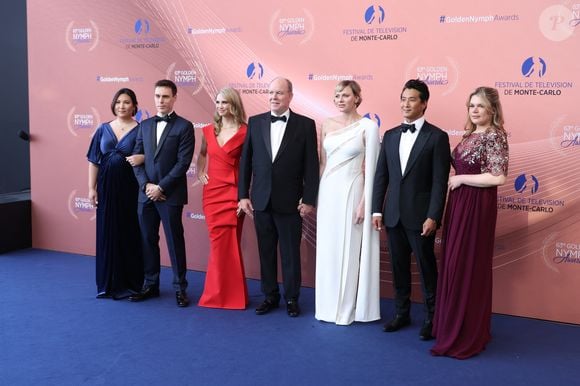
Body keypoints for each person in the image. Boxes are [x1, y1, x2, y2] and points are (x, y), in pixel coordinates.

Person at [431, 87, 509, 359]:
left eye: (481, 106)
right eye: (471, 106)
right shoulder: (470, 135)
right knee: (455, 261)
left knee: (467, 262)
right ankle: (453, 325)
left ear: (493, 110)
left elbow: (498, 177)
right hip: (461, 203)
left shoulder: (495, 136)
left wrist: (462, 179)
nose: (475, 110)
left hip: (477, 206)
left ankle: (467, 331)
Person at [371, 79, 450, 340]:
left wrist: (433, 216)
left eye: (412, 99)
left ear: (424, 103)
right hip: (392, 215)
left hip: (421, 217)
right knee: (398, 267)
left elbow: (440, 182)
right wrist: (376, 210)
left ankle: (432, 318)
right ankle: (401, 314)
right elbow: (381, 176)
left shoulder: (437, 137)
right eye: (403, 98)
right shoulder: (391, 135)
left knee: (427, 268)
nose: (406, 103)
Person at [238, 77, 319, 317]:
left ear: (290, 96)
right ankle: (269, 296)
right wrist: (243, 195)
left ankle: (292, 299)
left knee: (290, 253)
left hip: (291, 202)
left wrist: (309, 199)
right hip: (261, 200)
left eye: (279, 93)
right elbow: (245, 163)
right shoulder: (255, 122)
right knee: (266, 252)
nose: (273, 97)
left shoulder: (305, 125)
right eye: (271, 92)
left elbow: (311, 167)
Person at [315, 80, 381, 325]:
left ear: (357, 98)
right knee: (328, 250)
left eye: (345, 95)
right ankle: (325, 307)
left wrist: (365, 202)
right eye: (337, 96)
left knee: (349, 250)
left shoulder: (368, 126)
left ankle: (345, 309)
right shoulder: (326, 124)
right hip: (328, 191)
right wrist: (316, 195)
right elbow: (323, 163)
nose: (340, 99)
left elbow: (373, 170)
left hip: (353, 191)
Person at [129, 79, 195, 307]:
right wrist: (147, 186)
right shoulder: (144, 125)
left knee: (175, 242)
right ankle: (151, 284)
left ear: (175, 98)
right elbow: (136, 160)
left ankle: (180, 288)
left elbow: (183, 163)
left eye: (165, 96)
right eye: (157, 96)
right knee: (147, 240)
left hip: (170, 195)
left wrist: (161, 187)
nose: (161, 101)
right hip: (145, 194)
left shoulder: (184, 127)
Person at [87, 88, 144, 299]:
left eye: (127, 102)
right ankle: (106, 283)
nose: (122, 106)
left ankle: (130, 283)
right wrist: (92, 188)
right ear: (114, 105)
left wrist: (143, 158)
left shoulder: (141, 129)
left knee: (129, 233)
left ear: (134, 106)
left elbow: (152, 156)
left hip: (131, 189)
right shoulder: (103, 129)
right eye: (118, 102)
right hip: (106, 188)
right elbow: (94, 160)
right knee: (106, 232)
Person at [197, 87, 249, 309]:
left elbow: (250, 168)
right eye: (218, 102)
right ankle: (216, 294)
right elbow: (201, 155)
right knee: (217, 245)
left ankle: (233, 296)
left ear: (234, 104)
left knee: (231, 245)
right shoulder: (208, 130)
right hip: (213, 194)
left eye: (225, 102)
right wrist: (200, 172)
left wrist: (243, 197)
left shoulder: (247, 132)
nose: (220, 106)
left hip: (234, 195)